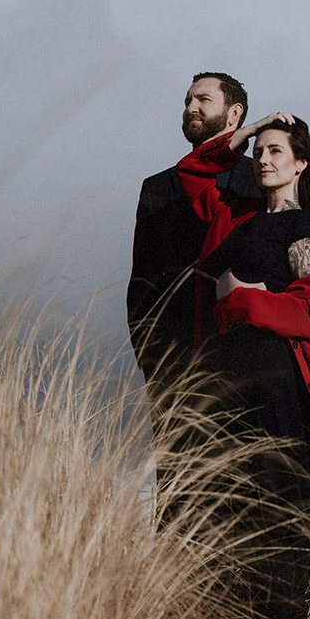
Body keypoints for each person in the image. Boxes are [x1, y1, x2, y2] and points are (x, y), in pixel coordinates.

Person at [176, 111, 310, 617]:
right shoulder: (237, 214)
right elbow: (192, 173)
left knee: (278, 492)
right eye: (259, 152)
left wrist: (251, 302)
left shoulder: (301, 225)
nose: (263, 160)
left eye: (276, 151)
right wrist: (249, 131)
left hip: (270, 364)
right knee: (228, 495)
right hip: (223, 368)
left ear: (300, 164)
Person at [127, 72, 258, 414]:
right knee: (182, 467)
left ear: (235, 113)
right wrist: (150, 356)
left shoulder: (260, 177)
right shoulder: (158, 187)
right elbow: (142, 278)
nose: (191, 108)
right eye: (188, 100)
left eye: (203, 99)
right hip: (174, 363)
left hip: (246, 357)